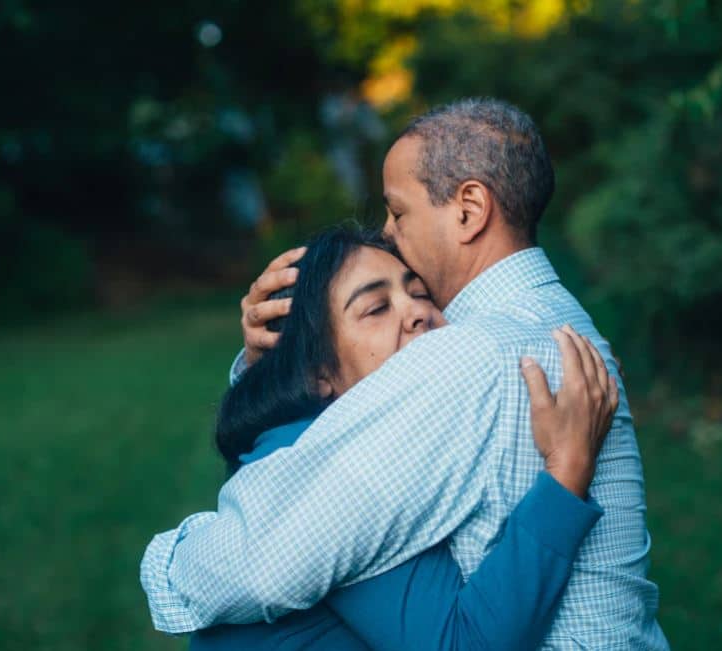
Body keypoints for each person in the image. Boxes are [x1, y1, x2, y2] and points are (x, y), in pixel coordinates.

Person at [143, 98, 668, 649]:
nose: (389, 234)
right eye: (376, 306)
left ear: (468, 209)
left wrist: (171, 559)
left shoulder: (466, 356)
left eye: (398, 212)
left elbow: (262, 562)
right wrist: (270, 360)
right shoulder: (564, 327)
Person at [172, 225, 616, 649]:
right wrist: (566, 472)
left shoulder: (330, 435)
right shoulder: (338, 475)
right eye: (376, 309)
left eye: (419, 293)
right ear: (318, 372)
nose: (418, 312)